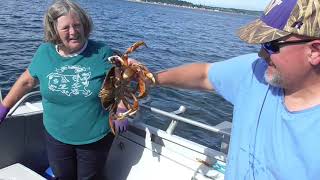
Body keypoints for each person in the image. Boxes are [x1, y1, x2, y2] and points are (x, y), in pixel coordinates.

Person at [153, 0, 320, 179]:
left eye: (270, 45)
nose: (261, 54)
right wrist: (148, 78)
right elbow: (203, 74)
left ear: (315, 51)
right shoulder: (256, 71)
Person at [0, 0, 128, 179]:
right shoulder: (44, 52)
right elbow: (27, 82)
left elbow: (121, 82)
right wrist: (4, 107)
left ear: (85, 25)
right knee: (62, 175)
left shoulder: (103, 53)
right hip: (56, 135)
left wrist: (121, 109)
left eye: (77, 25)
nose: (73, 32)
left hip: (94, 138)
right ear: (54, 30)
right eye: (66, 28)